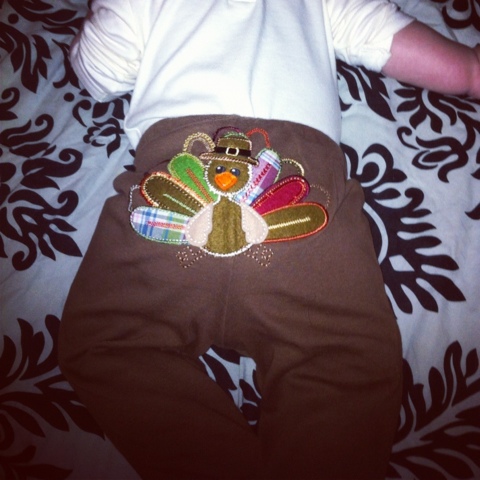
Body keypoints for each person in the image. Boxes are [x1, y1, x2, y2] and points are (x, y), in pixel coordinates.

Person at [58, 1, 480, 479]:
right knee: (340, 360)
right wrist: (469, 71)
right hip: (298, 198)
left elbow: (98, 74)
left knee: (108, 344)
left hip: (174, 195)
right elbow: (383, 35)